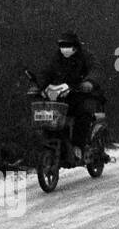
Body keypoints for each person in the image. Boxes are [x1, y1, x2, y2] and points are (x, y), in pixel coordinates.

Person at [38, 30, 104, 159]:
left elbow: (96, 69)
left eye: (68, 46)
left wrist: (89, 82)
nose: (65, 49)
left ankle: (78, 146)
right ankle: (56, 144)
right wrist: (38, 86)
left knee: (84, 114)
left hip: (83, 95)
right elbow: (47, 73)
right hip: (62, 96)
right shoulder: (57, 59)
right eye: (62, 46)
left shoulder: (85, 56)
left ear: (76, 46)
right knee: (50, 116)